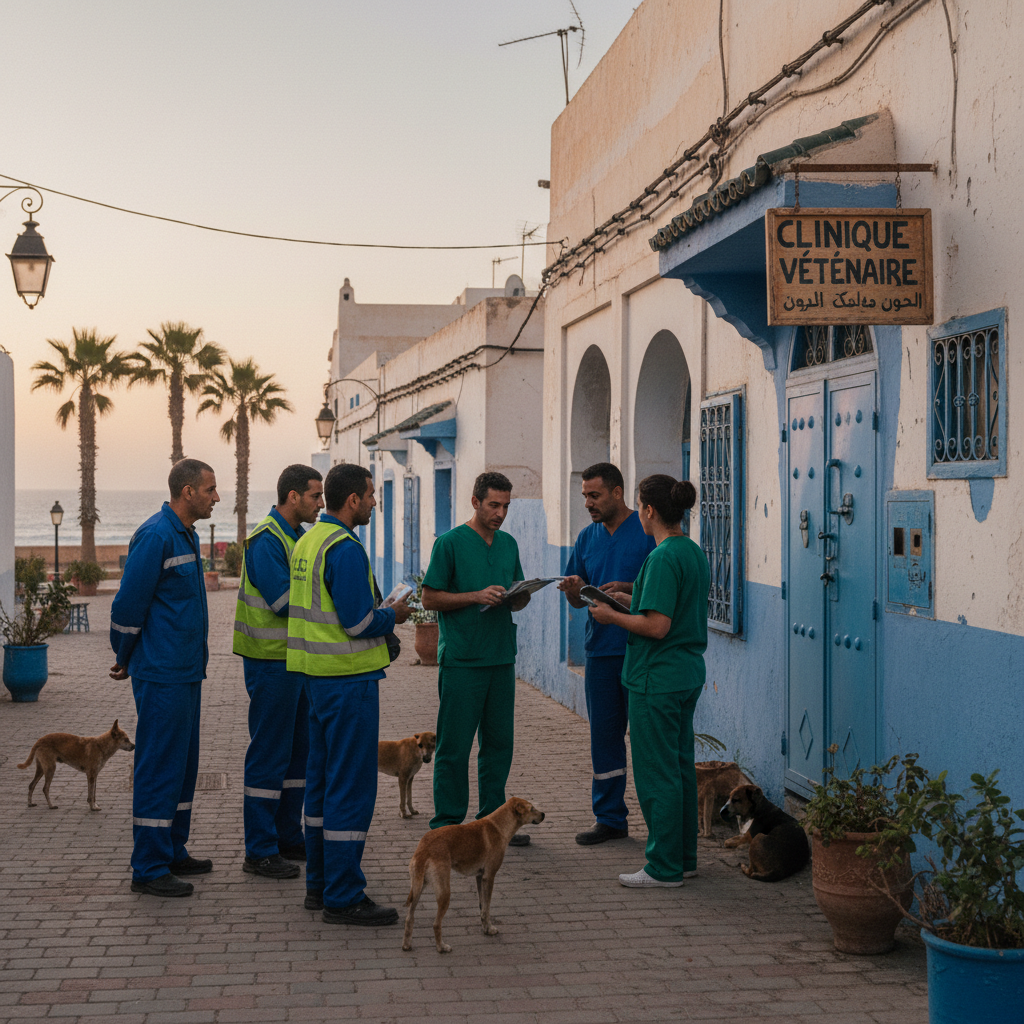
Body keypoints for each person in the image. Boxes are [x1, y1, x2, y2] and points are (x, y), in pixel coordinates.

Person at [287, 463, 411, 925]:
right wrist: (393, 615)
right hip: (348, 681)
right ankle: (343, 895)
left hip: (315, 679)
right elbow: (358, 622)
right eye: (372, 495)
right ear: (353, 500)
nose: (376, 503)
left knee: (319, 785)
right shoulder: (344, 548)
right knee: (350, 788)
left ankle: (318, 886)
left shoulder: (308, 542)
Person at [588, 474, 709, 888]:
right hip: (685, 674)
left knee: (657, 774)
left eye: (640, 506)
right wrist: (627, 598)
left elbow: (656, 626)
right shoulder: (690, 551)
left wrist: (611, 616)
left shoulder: (660, 557)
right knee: (678, 769)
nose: (638, 513)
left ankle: (662, 867)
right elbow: (665, 606)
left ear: (649, 510)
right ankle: (684, 858)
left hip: (656, 679)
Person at [110, 458, 219, 898]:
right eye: (210, 489)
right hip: (161, 673)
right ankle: (149, 868)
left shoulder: (185, 534)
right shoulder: (156, 535)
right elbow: (127, 606)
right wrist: (124, 655)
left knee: (183, 765)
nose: (216, 497)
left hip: (186, 671)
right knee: (158, 767)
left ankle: (173, 849)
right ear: (187, 491)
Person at [421, 471, 532, 844]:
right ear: (475, 502)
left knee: (499, 745)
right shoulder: (450, 544)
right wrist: (474, 596)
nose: (500, 513)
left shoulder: (508, 544)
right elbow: (430, 598)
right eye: (493, 505)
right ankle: (448, 825)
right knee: (454, 746)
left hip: (501, 658)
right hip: (463, 659)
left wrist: (520, 596)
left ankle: (494, 821)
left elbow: (518, 593)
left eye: (505, 506)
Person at [234, 464, 324, 880]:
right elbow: (285, 601)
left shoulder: (297, 538)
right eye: (314, 496)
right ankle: (260, 849)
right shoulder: (265, 540)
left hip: (296, 661)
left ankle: (288, 835)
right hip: (271, 662)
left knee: (298, 755)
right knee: (270, 753)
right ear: (292, 497)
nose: (320, 504)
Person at [557, 463, 655, 846]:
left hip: (640, 649)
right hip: (600, 653)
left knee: (645, 738)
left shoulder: (647, 533)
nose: (587, 503)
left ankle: (658, 823)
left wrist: (629, 588)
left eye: (594, 495)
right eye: (584, 496)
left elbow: (662, 589)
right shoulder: (586, 538)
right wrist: (574, 588)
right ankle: (610, 818)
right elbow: (578, 602)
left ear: (617, 492)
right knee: (604, 737)